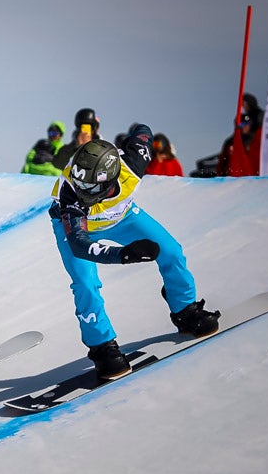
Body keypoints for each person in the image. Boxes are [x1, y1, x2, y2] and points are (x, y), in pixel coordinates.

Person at [49, 125, 220, 380]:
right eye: (81, 186)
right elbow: (79, 245)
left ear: (112, 179)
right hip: (79, 228)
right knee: (85, 283)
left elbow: (143, 132)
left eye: (92, 190)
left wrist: (139, 133)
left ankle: (185, 310)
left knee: (171, 251)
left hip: (123, 217)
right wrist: (122, 254)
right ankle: (101, 346)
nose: (84, 195)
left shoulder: (133, 163)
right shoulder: (70, 194)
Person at [215, 93, 264, 176]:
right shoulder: (231, 142)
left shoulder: (257, 138)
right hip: (236, 179)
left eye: (248, 124)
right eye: (241, 125)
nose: (243, 106)